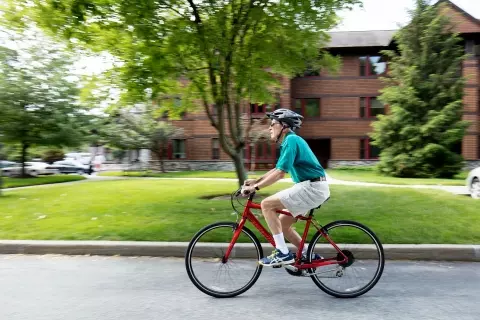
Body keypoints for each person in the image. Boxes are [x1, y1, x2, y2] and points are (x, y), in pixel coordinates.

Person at [241, 108, 330, 266]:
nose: (269, 127)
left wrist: (256, 188)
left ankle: (282, 253)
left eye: (273, 123)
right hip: (311, 186)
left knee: (266, 204)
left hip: (312, 187)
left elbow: (281, 173)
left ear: (284, 126)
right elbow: (277, 168)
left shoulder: (291, 140)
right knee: (283, 224)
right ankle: (308, 254)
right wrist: (256, 181)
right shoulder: (290, 141)